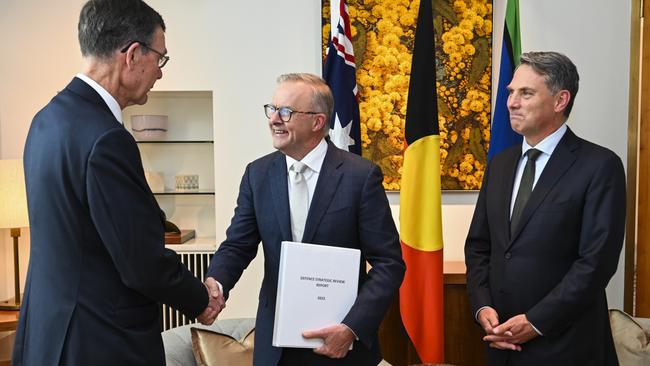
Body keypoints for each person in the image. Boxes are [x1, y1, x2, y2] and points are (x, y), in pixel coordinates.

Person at [13, 0, 224, 364]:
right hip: (99, 342)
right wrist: (200, 299)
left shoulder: (45, 120)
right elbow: (139, 259)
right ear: (132, 54)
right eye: (161, 59)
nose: (159, 73)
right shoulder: (107, 138)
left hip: (46, 336)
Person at [205, 73, 405, 365]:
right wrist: (215, 285)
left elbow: (389, 263)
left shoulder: (360, 177)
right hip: (276, 351)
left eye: (286, 112)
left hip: (340, 345)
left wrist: (351, 328)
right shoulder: (257, 174)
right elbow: (238, 245)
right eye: (271, 109)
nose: (274, 119)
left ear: (317, 122)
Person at [465, 51, 626, 365]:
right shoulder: (500, 164)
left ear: (560, 100)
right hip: (500, 344)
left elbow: (595, 264)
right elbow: (480, 246)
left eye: (526, 93)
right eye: (511, 92)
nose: (512, 102)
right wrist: (483, 307)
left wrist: (535, 322)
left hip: (565, 346)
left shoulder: (600, 166)